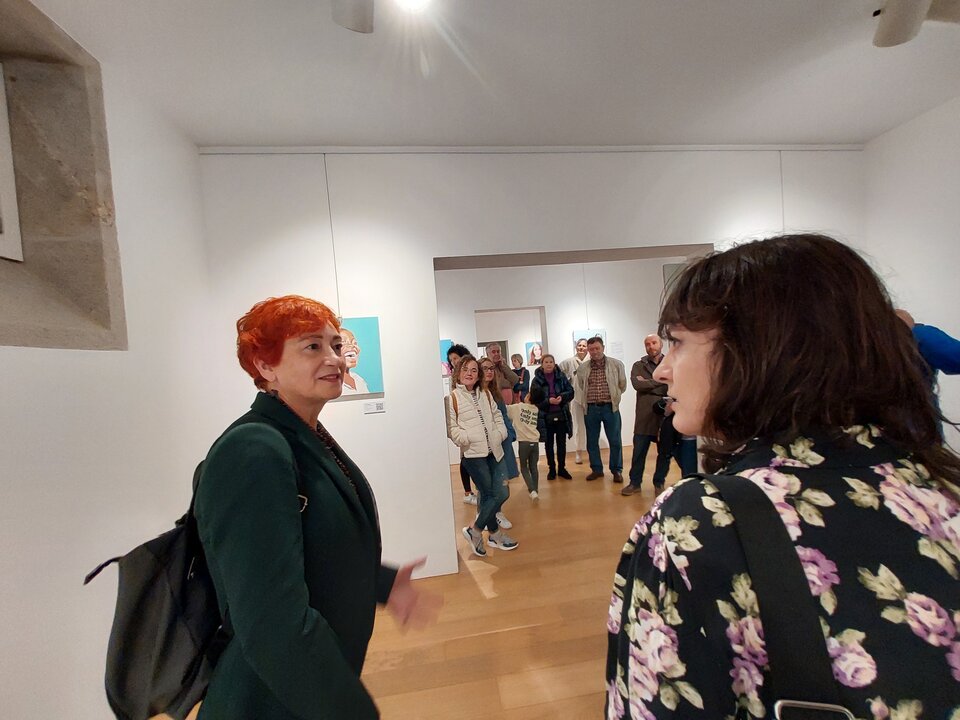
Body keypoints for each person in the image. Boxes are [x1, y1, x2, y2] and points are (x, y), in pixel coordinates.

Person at [605, 235, 960, 719]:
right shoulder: (943, 481)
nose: (664, 368)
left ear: (753, 351)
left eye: (679, 342)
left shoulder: (702, 521)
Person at [195, 295, 439, 720]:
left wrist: (381, 583)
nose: (335, 359)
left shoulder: (301, 435)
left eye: (335, 345)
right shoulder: (253, 449)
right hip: (274, 698)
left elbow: (302, 548)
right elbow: (272, 622)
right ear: (265, 365)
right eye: (312, 347)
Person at [447, 355, 518, 555]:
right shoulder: (452, 398)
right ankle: (494, 536)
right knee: (489, 495)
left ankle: (474, 530)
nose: (470, 374)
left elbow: (497, 416)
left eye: (473, 370)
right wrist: (467, 438)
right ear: (458, 373)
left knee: (501, 493)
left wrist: (500, 433)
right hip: (473, 456)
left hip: (494, 450)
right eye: (465, 370)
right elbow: (452, 429)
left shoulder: (485, 394)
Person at [622, 334, 669, 497]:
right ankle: (634, 483)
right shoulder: (638, 365)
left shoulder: (671, 364)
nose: (651, 346)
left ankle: (659, 483)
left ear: (661, 344)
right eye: (647, 344)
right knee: (639, 452)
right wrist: (662, 381)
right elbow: (637, 384)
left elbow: (673, 385)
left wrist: (648, 383)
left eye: (654, 343)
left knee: (664, 453)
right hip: (644, 416)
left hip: (664, 415)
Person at [575, 336, 627, 483]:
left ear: (603, 348)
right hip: (591, 409)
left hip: (610, 407)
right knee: (592, 441)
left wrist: (614, 397)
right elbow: (580, 385)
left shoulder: (616, 365)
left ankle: (617, 470)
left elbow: (622, 385)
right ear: (588, 351)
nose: (594, 351)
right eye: (591, 349)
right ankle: (596, 469)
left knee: (615, 440)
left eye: (597, 348)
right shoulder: (583, 368)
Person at [480, 357, 516, 530]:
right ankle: (485, 515)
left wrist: (509, 433)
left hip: (501, 441)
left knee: (501, 482)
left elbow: (503, 416)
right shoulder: (475, 394)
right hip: (482, 446)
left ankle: (495, 512)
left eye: (491, 368)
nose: (489, 371)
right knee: (485, 484)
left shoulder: (495, 393)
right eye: (485, 368)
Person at [531, 354, 575, 480]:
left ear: (554, 363)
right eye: (546, 362)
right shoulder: (536, 380)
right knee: (548, 444)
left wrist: (562, 397)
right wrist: (548, 401)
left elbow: (571, 392)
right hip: (546, 417)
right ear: (542, 364)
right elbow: (534, 399)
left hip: (561, 415)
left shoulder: (561, 377)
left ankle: (562, 468)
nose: (549, 364)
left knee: (562, 443)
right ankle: (552, 469)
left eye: (551, 361)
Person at [445, 344, 476, 504]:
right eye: (451, 360)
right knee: (465, 458)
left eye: (455, 358)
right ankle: (468, 492)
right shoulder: (454, 378)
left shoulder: (473, 373)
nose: (453, 362)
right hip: (463, 422)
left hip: (476, 420)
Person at [507, 384, 547, 499]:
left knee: (524, 467)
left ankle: (531, 490)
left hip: (523, 443)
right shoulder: (535, 410)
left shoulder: (518, 407)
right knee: (534, 467)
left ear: (528, 397)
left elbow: (505, 409)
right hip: (534, 443)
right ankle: (536, 489)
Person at [560, 338, 590, 464]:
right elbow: (558, 373)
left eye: (584, 345)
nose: (581, 347)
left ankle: (592, 451)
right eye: (579, 345)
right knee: (577, 426)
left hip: (590, 398)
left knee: (591, 426)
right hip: (576, 398)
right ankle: (578, 452)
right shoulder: (570, 362)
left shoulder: (592, 361)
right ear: (576, 346)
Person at [339, 327, 369, 395]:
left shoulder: (359, 380)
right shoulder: (329, 382)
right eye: (343, 343)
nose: (352, 346)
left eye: (354, 343)